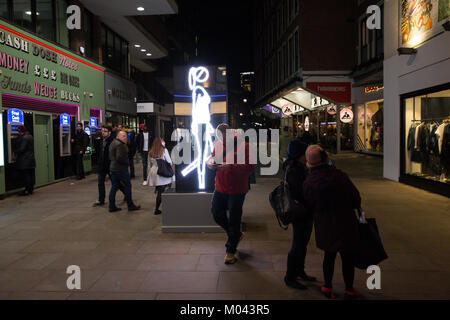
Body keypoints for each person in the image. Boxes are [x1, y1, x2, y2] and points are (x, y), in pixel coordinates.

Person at [303, 145, 361, 299]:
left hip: (324, 224)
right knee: (347, 257)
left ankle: (327, 286)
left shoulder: (310, 181)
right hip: (346, 221)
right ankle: (349, 289)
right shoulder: (340, 176)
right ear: (325, 159)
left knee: (329, 256)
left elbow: (309, 204)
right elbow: (356, 198)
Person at [207, 124, 255, 265]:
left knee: (234, 218)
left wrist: (231, 166)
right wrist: (209, 162)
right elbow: (213, 157)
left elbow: (250, 166)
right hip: (220, 186)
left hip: (237, 189)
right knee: (216, 213)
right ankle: (235, 235)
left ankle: (230, 250)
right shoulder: (218, 144)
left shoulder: (244, 146)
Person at [282, 139, 317, 290]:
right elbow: (299, 192)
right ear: (298, 154)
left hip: (304, 211)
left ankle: (300, 271)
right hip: (300, 212)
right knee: (297, 244)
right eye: (304, 153)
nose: (306, 156)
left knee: (302, 243)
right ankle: (290, 276)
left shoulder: (298, 167)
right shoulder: (294, 170)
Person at [109, 131, 141, 212]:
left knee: (114, 187)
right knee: (127, 186)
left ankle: (111, 206)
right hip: (121, 169)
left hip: (113, 168)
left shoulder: (113, 142)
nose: (125, 138)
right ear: (118, 136)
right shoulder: (120, 145)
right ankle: (130, 205)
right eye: (123, 136)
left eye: (125, 136)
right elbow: (119, 157)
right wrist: (127, 163)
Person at [93, 126, 125, 207]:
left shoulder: (113, 141)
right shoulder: (100, 140)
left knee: (116, 183)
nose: (103, 132)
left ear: (109, 132)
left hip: (110, 165)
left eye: (105, 131)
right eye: (102, 131)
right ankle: (101, 199)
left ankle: (126, 193)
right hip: (101, 165)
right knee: (100, 183)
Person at [147, 137, 175, 215]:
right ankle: (158, 209)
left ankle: (157, 208)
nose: (164, 143)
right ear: (160, 143)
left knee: (160, 190)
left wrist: (148, 175)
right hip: (162, 172)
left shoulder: (150, 152)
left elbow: (149, 165)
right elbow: (169, 162)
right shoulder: (164, 150)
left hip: (154, 172)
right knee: (163, 190)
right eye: (163, 142)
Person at [14, 125, 36, 196]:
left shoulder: (24, 138)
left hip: (25, 160)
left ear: (20, 130)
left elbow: (22, 149)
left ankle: (27, 190)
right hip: (31, 159)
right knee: (31, 175)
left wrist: (15, 151)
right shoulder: (30, 136)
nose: (18, 132)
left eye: (18, 131)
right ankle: (31, 190)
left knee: (26, 176)